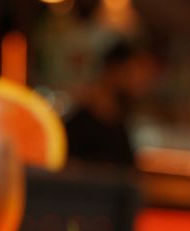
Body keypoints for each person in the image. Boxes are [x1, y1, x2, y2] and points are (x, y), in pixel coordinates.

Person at [65, 36, 158, 167]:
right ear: (113, 70)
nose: (142, 84)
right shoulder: (77, 130)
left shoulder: (119, 125)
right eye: (135, 72)